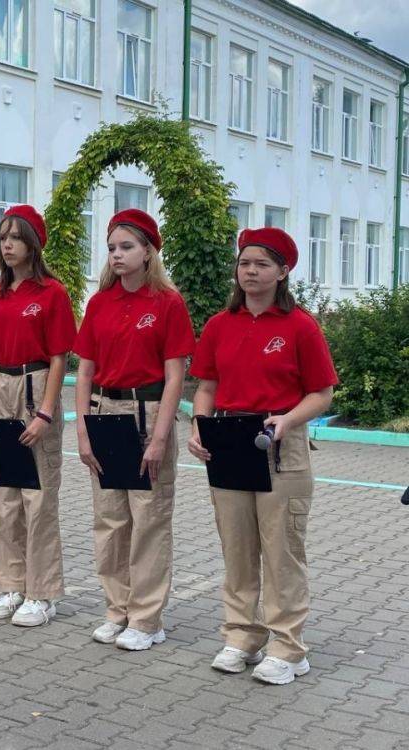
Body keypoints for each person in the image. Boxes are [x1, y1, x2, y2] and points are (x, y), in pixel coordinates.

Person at [189, 227, 337, 685]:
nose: (250, 271)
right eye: (245, 263)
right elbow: (206, 386)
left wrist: (288, 420)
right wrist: (199, 424)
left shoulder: (300, 326)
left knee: (281, 552)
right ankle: (241, 636)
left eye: (262, 264)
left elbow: (322, 393)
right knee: (237, 549)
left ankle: (288, 647)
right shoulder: (219, 324)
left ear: (282, 271)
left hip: (279, 445)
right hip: (229, 441)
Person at [73, 209, 195, 651]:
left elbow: (175, 376)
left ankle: (146, 618)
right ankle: (116, 609)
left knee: (149, 520)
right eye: (111, 248)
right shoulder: (100, 303)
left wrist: (161, 437)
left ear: (148, 251)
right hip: (105, 410)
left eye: (126, 247)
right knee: (109, 519)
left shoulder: (167, 302)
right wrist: (83, 430)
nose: (117, 255)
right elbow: (84, 372)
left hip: (146, 413)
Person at [0, 205, 76, 627]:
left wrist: (46, 413)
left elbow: (58, 358)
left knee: (39, 499)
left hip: (35, 393)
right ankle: (11, 586)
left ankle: (42, 593)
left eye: (15, 237)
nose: (7, 245)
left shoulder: (52, 293)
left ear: (33, 243)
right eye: (2, 238)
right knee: (5, 499)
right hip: (0, 392)